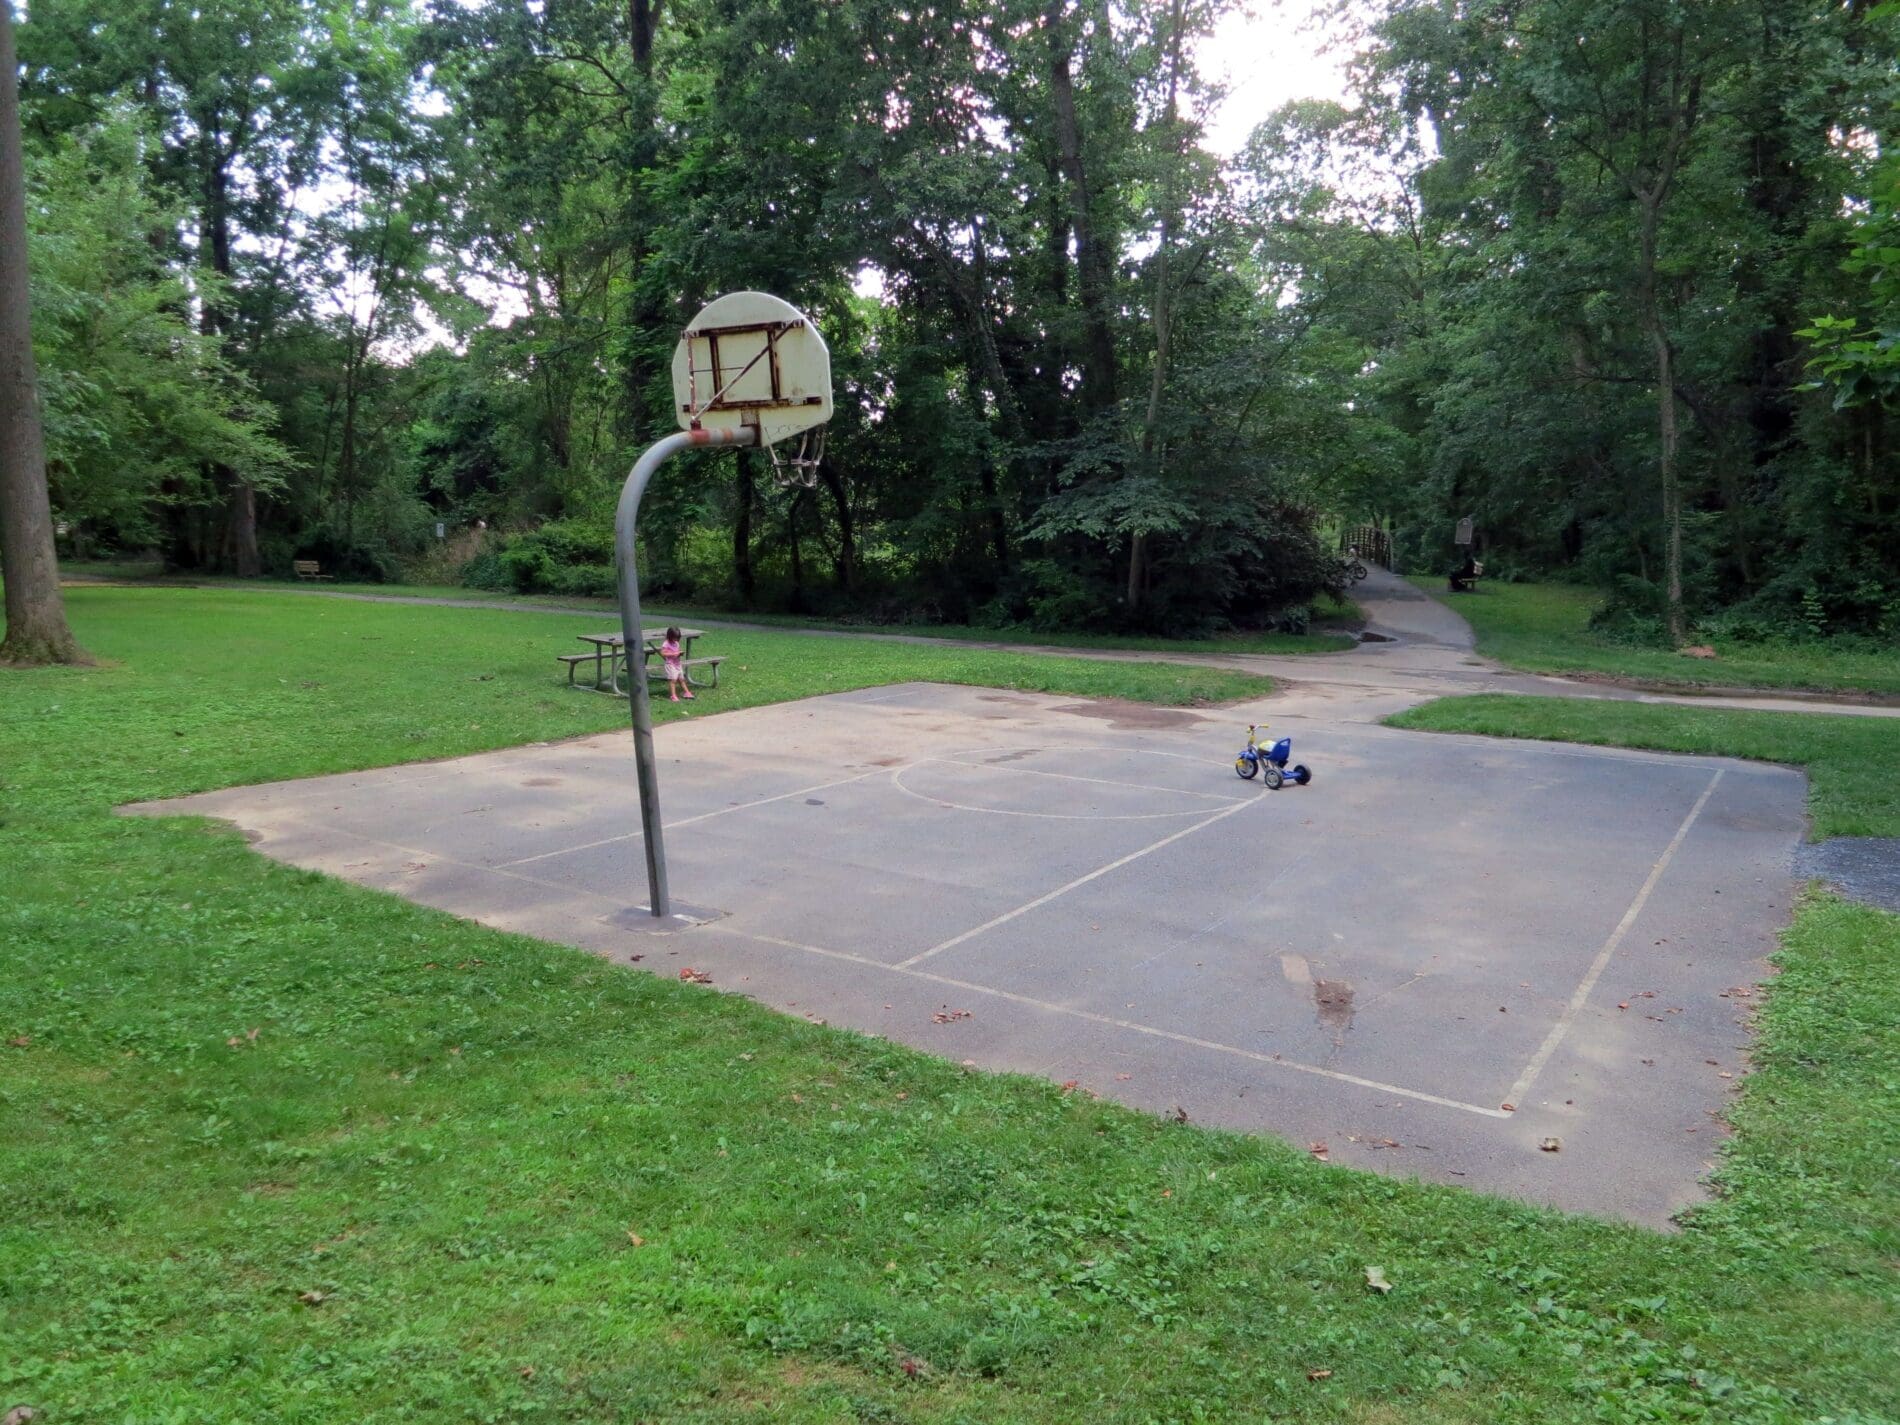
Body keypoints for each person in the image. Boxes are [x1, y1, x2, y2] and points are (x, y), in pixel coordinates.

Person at [659, 626, 694, 702]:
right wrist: (673, 654)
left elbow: (676, 651)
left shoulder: (676, 643)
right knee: (673, 680)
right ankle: (673, 695)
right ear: (670, 636)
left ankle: (687, 692)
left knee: (681, 679)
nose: (676, 639)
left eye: (677, 638)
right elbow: (663, 653)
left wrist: (679, 653)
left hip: (677, 664)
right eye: (674, 638)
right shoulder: (666, 643)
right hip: (670, 664)